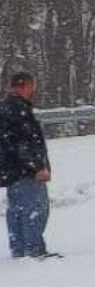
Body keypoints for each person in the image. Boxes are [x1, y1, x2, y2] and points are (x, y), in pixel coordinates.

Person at [0, 71, 55, 259]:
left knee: (16, 210)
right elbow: (24, 143)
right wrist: (38, 166)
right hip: (25, 171)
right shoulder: (19, 110)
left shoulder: (5, 108)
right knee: (35, 209)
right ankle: (34, 250)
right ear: (26, 86)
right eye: (32, 86)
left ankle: (19, 248)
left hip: (10, 171)